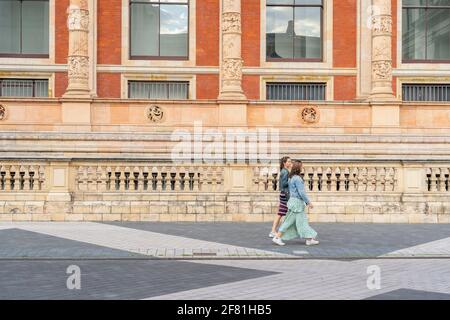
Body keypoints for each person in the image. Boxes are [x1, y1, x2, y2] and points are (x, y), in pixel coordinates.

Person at [272, 160, 319, 246]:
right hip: (297, 203)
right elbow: (302, 192)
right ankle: (277, 237)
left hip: (293, 202)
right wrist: (308, 202)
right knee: (290, 222)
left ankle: (309, 239)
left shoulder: (292, 178)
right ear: (298, 168)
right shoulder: (297, 178)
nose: (302, 168)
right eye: (301, 166)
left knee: (299, 221)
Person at [269, 156, 292, 238]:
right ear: (284, 163)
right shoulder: (285, 172)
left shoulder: (284, 171)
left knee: (281, 213)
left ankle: (274, 230)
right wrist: (291, 180)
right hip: (285, 195)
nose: (290, 163)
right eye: (288, 161)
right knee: (281, 214)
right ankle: (274, 231)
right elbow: (283, 184)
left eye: (290, 161)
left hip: (283, 194)